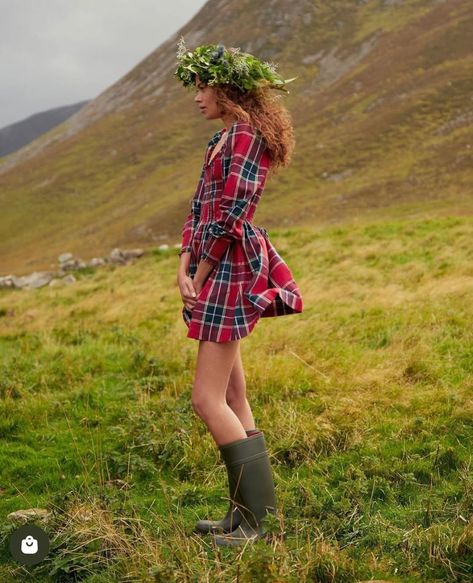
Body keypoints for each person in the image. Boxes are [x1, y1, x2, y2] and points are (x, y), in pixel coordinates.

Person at [174, 39, 303, 547]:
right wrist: (183, 264)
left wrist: (202, 272)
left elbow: (233, 215)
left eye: (203, 85)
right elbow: (198, 208)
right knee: (231, 393)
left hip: (229, 268)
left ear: (227, 88)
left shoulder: (248, 139)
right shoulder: (219, 141)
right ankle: (247, 515)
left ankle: (256, 525)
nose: (197, 95)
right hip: (210, 265)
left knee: (206, 400)